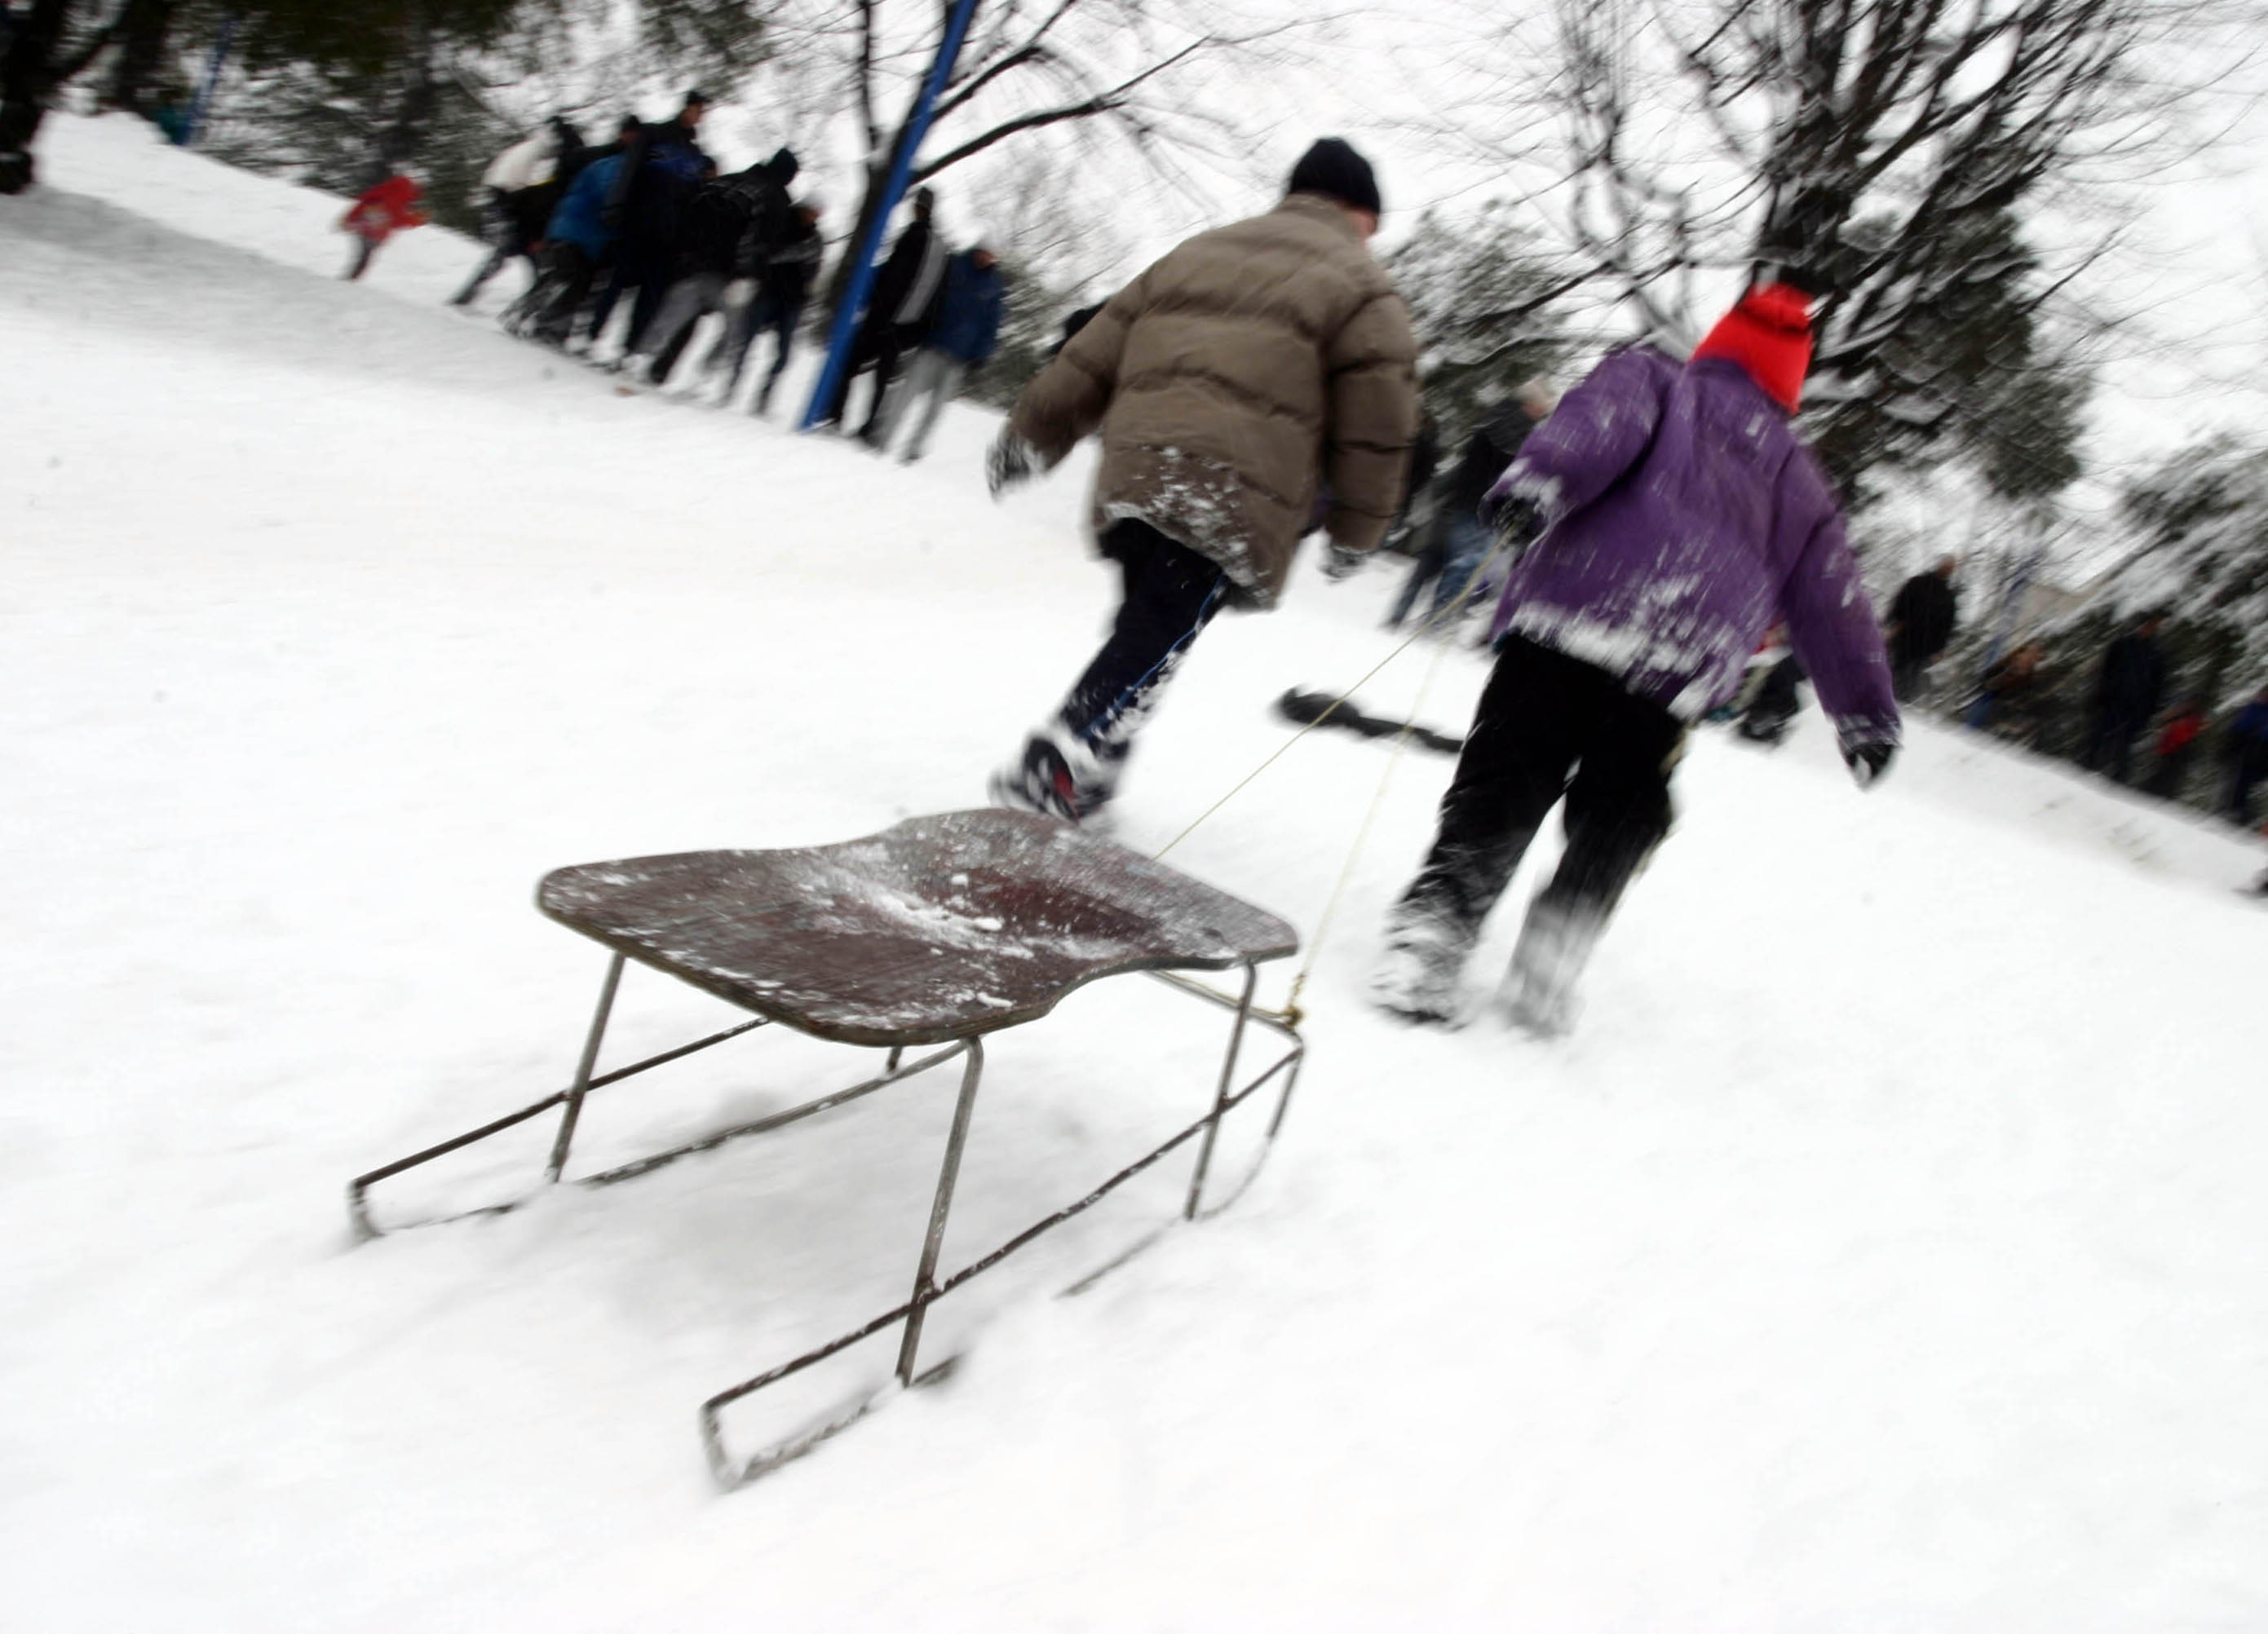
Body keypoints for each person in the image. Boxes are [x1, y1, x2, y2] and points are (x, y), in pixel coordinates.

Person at [1373, 277, 1900, 1035]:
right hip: (1677, 660)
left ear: (1717, 347)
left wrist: (1540, 484)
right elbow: (1832, 598)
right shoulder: (1798, 477)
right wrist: (1866, 715)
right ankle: (1558, 941)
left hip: (1570, 617)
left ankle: (1435, 932)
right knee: (1623, 804)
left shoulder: (1653, 379)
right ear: (1789, 385)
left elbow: (1596, 424)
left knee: (1507, 773)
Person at [984, 137, 1419, 823]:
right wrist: (1356, 530)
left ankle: (1093, 780)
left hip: (1138, 468)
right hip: (1232, 485)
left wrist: (1030, 436)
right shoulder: (1364, 289)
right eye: (1373, 224)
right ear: (1357, 212)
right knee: (1158, 628)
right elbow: (1379, 424)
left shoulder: (1199, 250)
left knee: (1148, 625)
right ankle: (1059, 758)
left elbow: (1092, 353)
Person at [622, 148, 799, 386]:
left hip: (692, 260)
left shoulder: (729, 180)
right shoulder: (773, 198)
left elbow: (691, 209)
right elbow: (762, 241)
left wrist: (682, 251)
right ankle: (706, 378)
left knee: (674, 314)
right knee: (733, 329)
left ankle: (643, 359)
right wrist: (748, 274)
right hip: (732, 272)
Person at [1386, 386, 1554, 631]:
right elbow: (1511, 477)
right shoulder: (1518, 433)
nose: (1542, 414)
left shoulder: (1494, 417)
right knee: (1461, 567)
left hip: (1457, 502)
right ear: (1531, 405)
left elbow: (1469, 465)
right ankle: (1436, 624)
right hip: (1480, 510)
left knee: (1432, 559)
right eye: (1543, 408)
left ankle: (1399, 614)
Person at [818, 188, 945, 439]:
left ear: (919, 208)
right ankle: (868, 428)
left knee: (850, 362)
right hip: (903, 323)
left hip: (887, 319)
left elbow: (895, 277)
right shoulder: (934, 244)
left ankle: (836, 415)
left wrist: (875, 305)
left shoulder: (916, 237)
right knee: (881, 376)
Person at [594, 91, 709, 354]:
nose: (699, 117)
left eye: (702, 113)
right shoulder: (653, 134)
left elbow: (694, 196)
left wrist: (685, 236)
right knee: (617, 281)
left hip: (668, 233)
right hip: (638, 220)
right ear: (686, 108)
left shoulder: (695, 153)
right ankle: (593, 332)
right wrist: (616, 205)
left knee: (650, 291)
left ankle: (628, 348)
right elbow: (629, 171)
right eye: (697, 110)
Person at [875, 242, 1005, 462]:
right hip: (933, 344)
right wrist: (919, 327)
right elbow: (931, 296)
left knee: (935, 408)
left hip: (959, 357)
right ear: (978, 249)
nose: (987, 258)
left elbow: (991, 325)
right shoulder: (954, 266)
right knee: (906, 394)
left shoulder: (994, 287)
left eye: (992, 255)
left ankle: (914, 449)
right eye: (985, 252)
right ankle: (882, 438)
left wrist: (982, 354)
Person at [525, 138, 628, 348]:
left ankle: (551, 327)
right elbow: (607, 195)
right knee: (568, 280)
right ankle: (542, 323)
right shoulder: (616, 167)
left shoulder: (609, 165)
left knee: (573, 283)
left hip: (579, 232)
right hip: (577, 232)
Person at [451, 123, 565, 307]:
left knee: (506, 255)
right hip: (512, 202)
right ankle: (534, 303)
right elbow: (533, 192)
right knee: (528, 257)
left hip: (499, 198)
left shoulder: (523, 148)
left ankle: (468, 293)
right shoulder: (541, 156)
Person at [2080, 610, 2169, 784]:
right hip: (2113, 698)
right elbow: (2106, 671)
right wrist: (2102, 692)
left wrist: (2150, 708)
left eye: (2152, 627)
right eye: (2147, 626)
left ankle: (2117, 776)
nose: (2148, 630)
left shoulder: (2155, 655)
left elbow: (2157, 685)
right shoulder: (2122, 644)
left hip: (2136, 706)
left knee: (2124, 743)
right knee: (2099, 734)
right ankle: (2088, 766)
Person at [1884, 555, 1960, 702]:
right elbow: (1900, 602)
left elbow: (1946, 627)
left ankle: (1900, 707)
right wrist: (1893, 623)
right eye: (1945, 565)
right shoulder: (1918, 583)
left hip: (1925, 646)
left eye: (1950, 568)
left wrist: (1939, 650)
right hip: (1904, 636)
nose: (1946, 569)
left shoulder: (1948, 599)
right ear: (1939, 564)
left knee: (1911, 680)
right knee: (1894, 669)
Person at [338, 170, 427, 280]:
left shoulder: (391, 188)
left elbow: (366, 199)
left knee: (363, 259)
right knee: (364, 260)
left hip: (365, 225)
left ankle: (347, 283)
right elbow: (397, 219)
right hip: (372, 232)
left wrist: (350, 217)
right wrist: (415, 220)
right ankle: (347, 284)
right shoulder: (400, 195)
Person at [2143, 698, 2207, 799]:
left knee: (2167, 772)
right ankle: (2160, 792)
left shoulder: (2188, 718)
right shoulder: (2187, 717)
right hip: (2175, 748)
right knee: (2167, 772)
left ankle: (2159, 792)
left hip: (2176, 749)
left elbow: (2181, 733)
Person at [2223, 683, 2268, 824]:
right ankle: (2236, 811)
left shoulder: (2259, 711)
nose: (2262, 697)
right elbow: (2239, 727)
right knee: (2242, 781)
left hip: (2261, 753)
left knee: (2249, 782)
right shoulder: (2253, 709)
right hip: (2250, 751)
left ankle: (2243, 813)